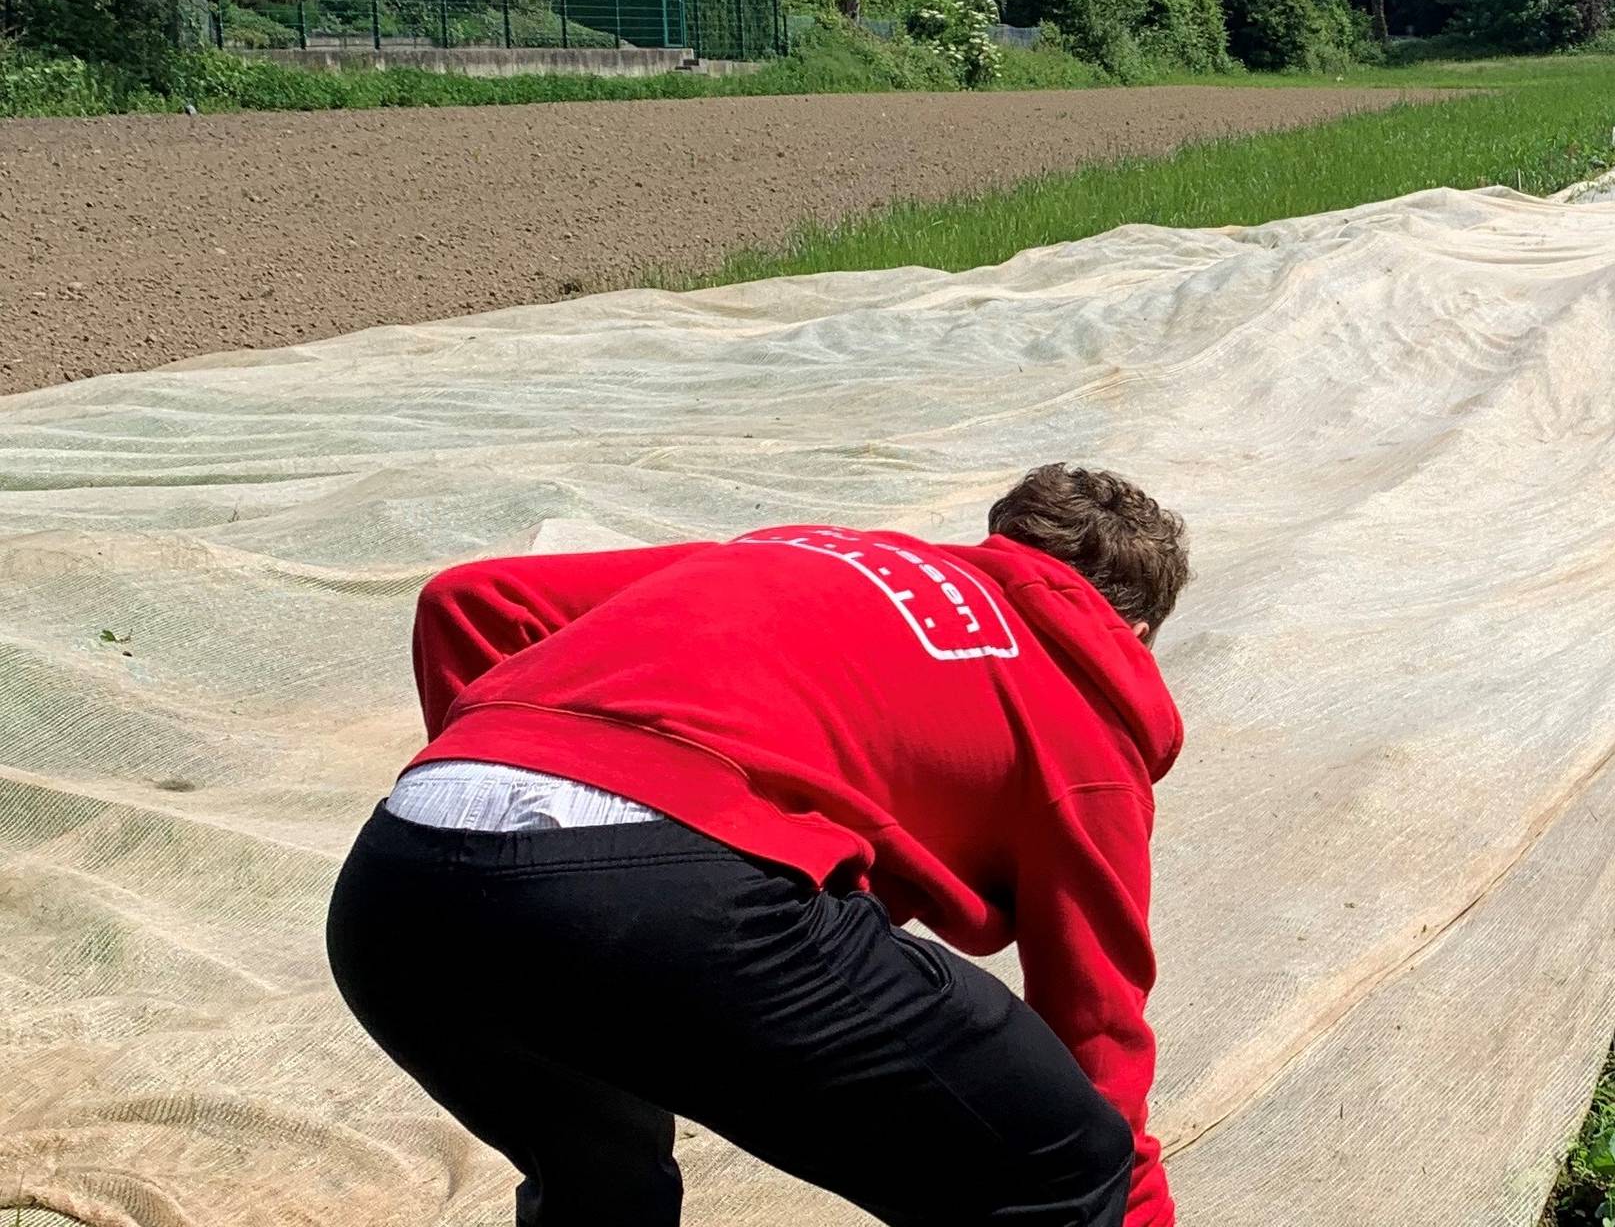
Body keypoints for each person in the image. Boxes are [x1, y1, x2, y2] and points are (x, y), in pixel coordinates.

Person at [326, 463, 1191, 1227]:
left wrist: (516, 847)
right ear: (1138, 633)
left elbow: (471, 600)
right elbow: (1098, 1038)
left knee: (602, 1177)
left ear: (996, 545)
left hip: (399, 884)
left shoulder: (803, 550)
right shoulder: (1086, 729)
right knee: (1062, 1165)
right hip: (671, 896)